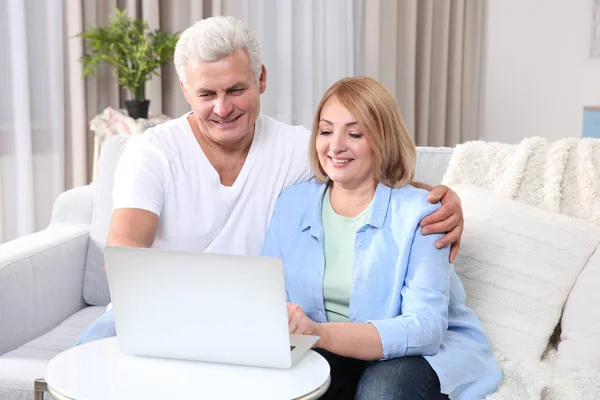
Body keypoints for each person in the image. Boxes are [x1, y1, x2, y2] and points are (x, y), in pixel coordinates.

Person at [77, 16, 464, 344]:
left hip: (250, 321)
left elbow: (367, 176)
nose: (222, 108)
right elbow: (125, 251)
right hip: (156, 310)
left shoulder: (299, 148)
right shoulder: (152, 152)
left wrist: (440, 198)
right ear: (185, 91)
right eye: (206, 94)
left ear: (261, 79)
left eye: (236, 89)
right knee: (84, 365)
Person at [261, 76, 501, 400]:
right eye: (326, 130)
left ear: (382, 140)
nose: (335, 146)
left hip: (418, 355)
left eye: (355, 133)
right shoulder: (292, 204)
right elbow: (269, 297)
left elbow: (425, 329)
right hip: (330, 350)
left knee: (382, 392)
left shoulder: (423, 213)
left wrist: (321, 334)